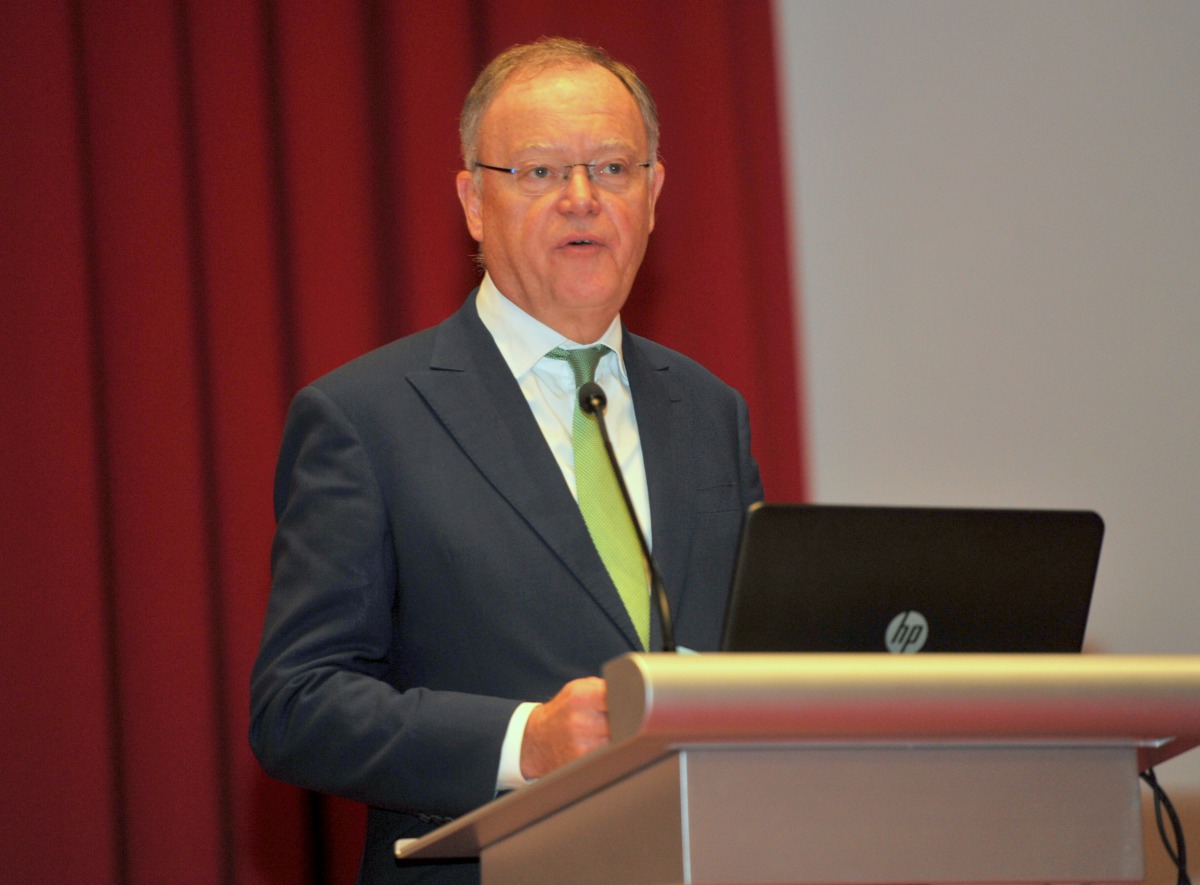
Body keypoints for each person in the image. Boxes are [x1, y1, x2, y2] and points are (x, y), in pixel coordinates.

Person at [250, 37, 763, 884]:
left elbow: (746, 656)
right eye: (538, 172)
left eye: (612, 168)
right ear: (473, 202)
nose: (581, 200)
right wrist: (526, 739)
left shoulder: (711, 410)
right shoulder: (364, 417)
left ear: (655, 192)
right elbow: (295, 706)